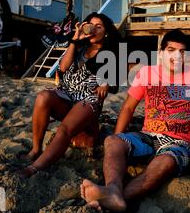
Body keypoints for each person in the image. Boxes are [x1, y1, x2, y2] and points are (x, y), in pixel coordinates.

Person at [80, 29, 190, 212]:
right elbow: (128, 107)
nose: (176, 55)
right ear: (160, 53)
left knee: (166, 161)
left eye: (182, 51)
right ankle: (112, 188)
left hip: (179, 142)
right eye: (171, 49)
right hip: (148, 137)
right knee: (112, 140)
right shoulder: (147, 73)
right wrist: (119, 139)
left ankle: (114, 198)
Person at [18, 12, 121, 178]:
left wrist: (105, 82)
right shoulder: (80, 47)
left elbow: (114, 79)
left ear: (106, 32)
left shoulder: (111, 53)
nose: (93, 29)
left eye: (99, 26)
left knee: (64, 129)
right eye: (91, 25)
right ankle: (36, 149)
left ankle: (36, 167)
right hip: (67, 96)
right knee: (43, 96)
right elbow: (64, 68)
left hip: (88, 100)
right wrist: (75, 39)